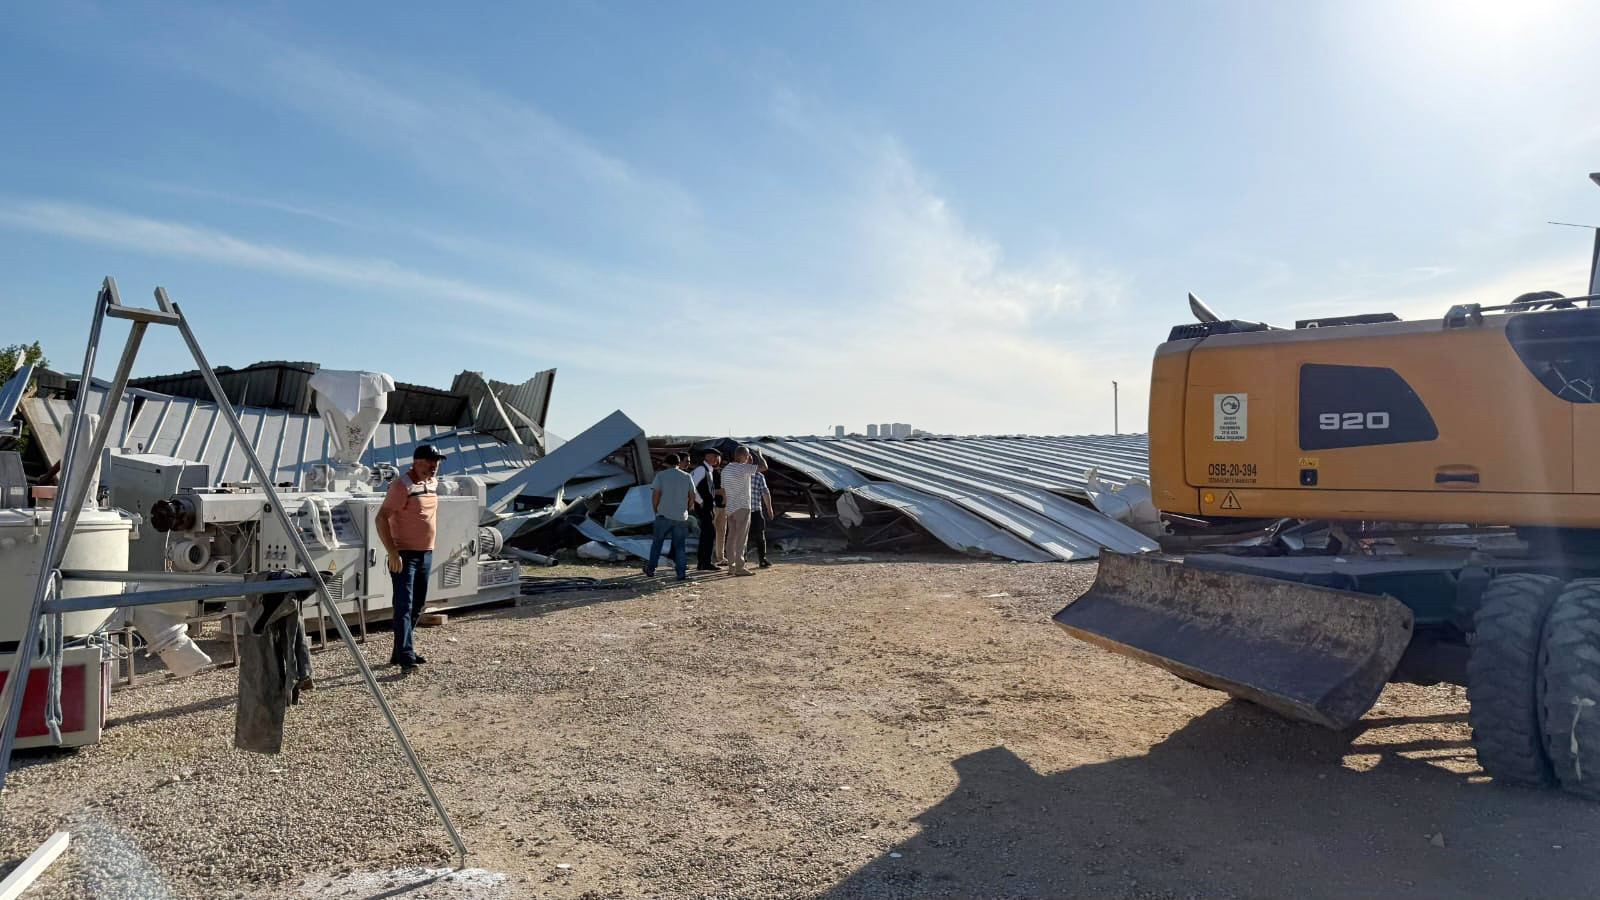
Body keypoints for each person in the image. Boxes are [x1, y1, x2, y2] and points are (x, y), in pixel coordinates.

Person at [376, 444, 445, 670]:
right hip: (404, 554)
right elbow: (381, 518)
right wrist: (392, 552)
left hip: (426, 553)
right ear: (416, 462)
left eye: (436, 462)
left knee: (417, 604)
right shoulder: (401, 486)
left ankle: (400, 651)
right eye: (429, 462)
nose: (433, 466)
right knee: (403, 604)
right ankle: (406, 655)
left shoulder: (432, 483)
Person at [717, 445, 768, 576]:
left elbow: (723, 490)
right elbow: (764, 467)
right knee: (741, 538)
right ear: (744, 455)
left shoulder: (726, 469)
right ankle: (740, 567)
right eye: (747, 455)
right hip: (743, 506)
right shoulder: (743, 468)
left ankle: (731, 566)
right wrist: (760, 455)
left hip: (731, 507)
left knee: (731, 537)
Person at [644, 453, 694, 580]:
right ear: (678, 463)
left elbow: (656, 494)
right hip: (681, 517)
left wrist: (656, 509)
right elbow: (692, 495)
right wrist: (688, 508)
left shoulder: (661, 475)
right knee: (680, 546)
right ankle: (681, 573)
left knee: (657, 544)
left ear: (666, 463)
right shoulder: (687, 476)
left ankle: (651, 569)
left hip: (663, 515)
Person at [690, 449, 723, 571]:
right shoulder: (701, 469)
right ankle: (705, 562)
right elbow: (691, 485)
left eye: (717, 456)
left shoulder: (708, 469)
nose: (716, 459)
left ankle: (703, 562)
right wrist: (700, 501)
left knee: (707, 534)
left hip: (708, 506)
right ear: (707, 456)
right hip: (703, 507)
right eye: (714, 456)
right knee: (708, 534)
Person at [748, 469, 774, 569]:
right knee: (742, 536)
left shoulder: (759, 476)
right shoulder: (739, 473)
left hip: (756, 510)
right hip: (742, 510)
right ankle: (742, 560)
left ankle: (762, 559)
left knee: (760, 535)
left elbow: (765, 492)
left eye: (750, 459)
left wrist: (769, 509)